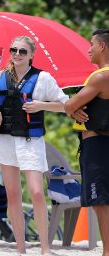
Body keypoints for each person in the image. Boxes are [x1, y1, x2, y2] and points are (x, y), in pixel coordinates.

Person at [0, 36, 69, 255]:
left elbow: (65, 105)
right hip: (5, 142)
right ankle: (20, 247)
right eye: (14, 50)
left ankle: (44, 248)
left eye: (22, 51)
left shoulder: (43, 78)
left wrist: (42, 105)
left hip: (30, 142)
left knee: (36, 192)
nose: (17, 54)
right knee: (13, 195)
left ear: (32, 54)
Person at [64, 28, 109, 256]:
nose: (88, 48)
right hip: (100, 144)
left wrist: (75, 108)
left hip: (98, 145)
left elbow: (69, 105)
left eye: (92, 43)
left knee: (101, 200)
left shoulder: (102, 76)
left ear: (102, 46)